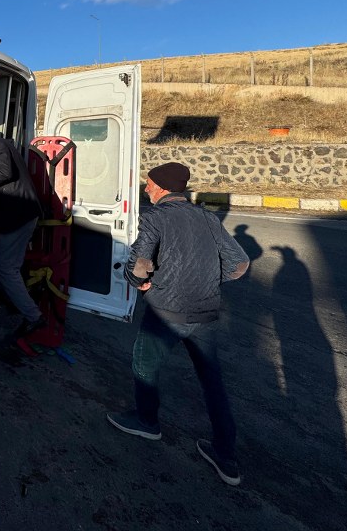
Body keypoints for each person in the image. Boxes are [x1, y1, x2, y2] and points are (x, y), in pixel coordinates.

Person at [107, 161, 249, 486]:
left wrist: (139, 280)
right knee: (213, 383)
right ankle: (225, 456)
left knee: (144, 365)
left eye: (148, 184)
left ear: (161, 187)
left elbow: (140, 264)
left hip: (167, 313)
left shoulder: (156, 217)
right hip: (206, 312)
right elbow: (240, 263)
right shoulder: (208, 218)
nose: (145, 189)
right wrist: (210, 280)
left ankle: (147, 421)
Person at [0, 124, 45, 339]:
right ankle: (12, 299)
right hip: (18, 215)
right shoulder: (0, 144)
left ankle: (33, 315)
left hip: (18, 215)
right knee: (0, 258)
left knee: (5, 267)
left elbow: (2, 172)